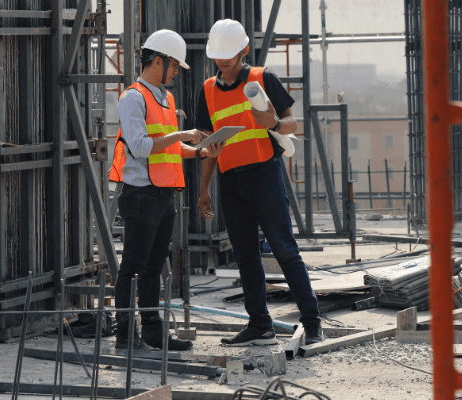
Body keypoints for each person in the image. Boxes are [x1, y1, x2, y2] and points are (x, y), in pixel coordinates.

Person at [194, 19, 323, 346]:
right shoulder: (207, 89)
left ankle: (312, 323)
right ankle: (259, 326)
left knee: (285, 251)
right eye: (218, 57)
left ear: (244, 51)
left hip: (264, 175)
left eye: (228, 56)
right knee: (246, 256)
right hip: (229, 181)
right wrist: (204, 188)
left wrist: (274, 123)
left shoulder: (262, 78)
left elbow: (292, 124)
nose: (222, 62)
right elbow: (209, 144)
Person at [109, 29, 222, 351]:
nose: (176, 72)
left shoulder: (166, 99)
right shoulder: (133, 98)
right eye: (174, 66)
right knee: (132, 267)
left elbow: (168, 148)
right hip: (140, 195)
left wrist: (200, 151)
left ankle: (153, 334)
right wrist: (183, 135)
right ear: (158, 61)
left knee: (153, 267)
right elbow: (140, 147)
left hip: (165, 193)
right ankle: (125, 337)